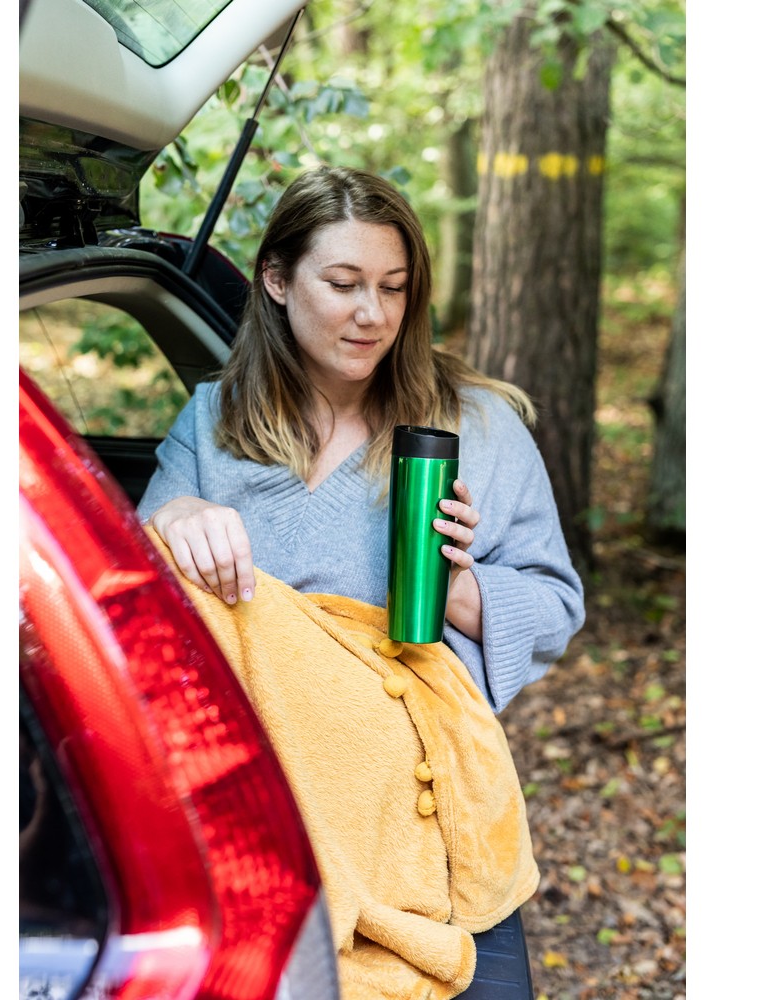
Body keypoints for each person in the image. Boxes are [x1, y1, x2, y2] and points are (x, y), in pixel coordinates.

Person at [138, 165, 585, 996]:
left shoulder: (476, 426)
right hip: (264, 815)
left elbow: (557, 603)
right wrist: (176, 514)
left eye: (393, 287)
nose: (372, 314)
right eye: (343, 284)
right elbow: (134, 598)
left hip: (421, 815)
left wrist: (457, 590)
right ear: (277, 280)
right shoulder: (214, 421)